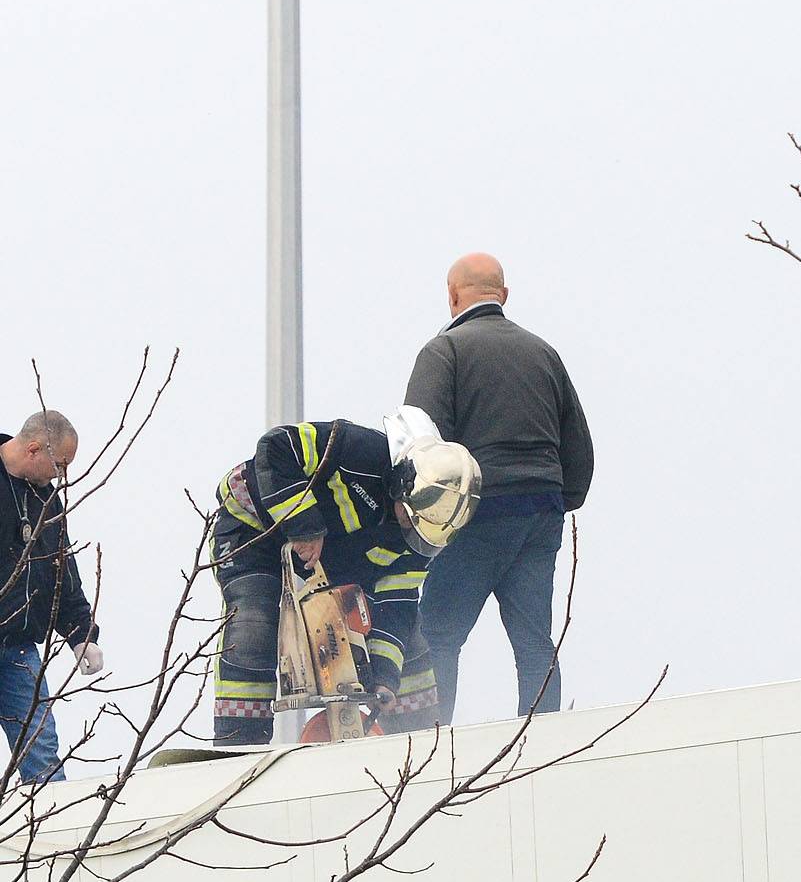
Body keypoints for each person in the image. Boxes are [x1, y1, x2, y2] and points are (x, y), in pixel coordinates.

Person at [209, 413, 480, 746]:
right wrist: (304, 526)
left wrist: (383, 677)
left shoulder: (419, 539)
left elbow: (396, 606)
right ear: (401, 485)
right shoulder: (357, 452)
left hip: (336, 554)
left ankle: (419, 746)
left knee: (410, 642)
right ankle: (238, 745)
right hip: (254, 527)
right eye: (410, 520)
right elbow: (274, 448)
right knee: (253, 626)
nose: (411, 535)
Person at [405, 253, 593, 719]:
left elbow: (423, 447)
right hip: (541, 512)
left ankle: (431, 739)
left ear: (452, 296)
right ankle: (539, 734)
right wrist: (560, 500)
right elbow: (579, 447)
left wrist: (415, 522)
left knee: (439, 636)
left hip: (475, 517)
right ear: (503, 295)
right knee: (534, 640)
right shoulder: (543, 352)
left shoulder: (443, 352)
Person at [0, 410, 101, 784]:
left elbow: (62, 571)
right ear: (32, 450)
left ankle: (52, 839)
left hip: (19, 650)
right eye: (59, 465)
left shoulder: (46, 500)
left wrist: (80, 633)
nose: (61, 475)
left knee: (41, 752)